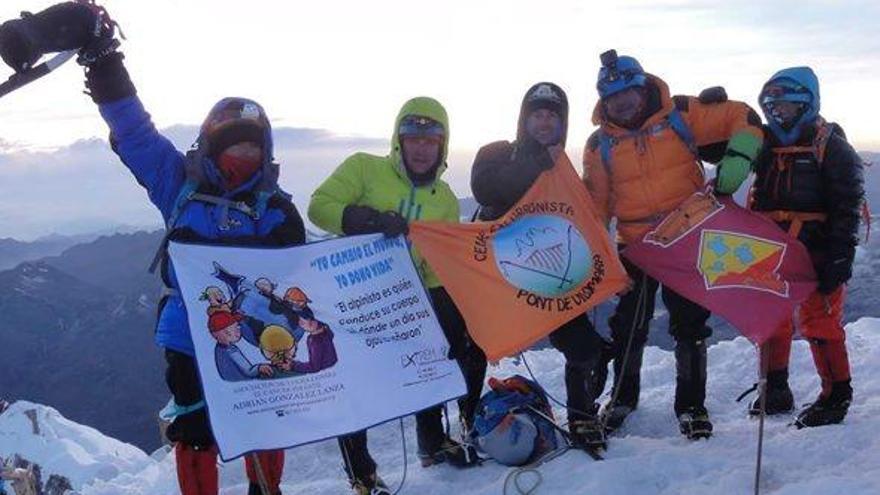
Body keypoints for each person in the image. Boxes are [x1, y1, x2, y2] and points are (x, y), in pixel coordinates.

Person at [0, 3, 304, 493]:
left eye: (252, 148)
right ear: (211, 144)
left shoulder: (275, 210)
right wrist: (104, 64)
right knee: (194, 428)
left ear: (265, 153)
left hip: (253, 328)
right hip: (187, 332)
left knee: (264, 419)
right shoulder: (178, 184)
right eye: (233, 145)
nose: (242, 157)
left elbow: (302, 279)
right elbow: (136, 133)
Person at [309, 96, 486, 494]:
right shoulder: (364, 168)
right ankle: (362, 474)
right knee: (358, 379)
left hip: (412, 295)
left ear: (442, 146)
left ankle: (432, 441)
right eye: (413, 139)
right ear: (399, 141)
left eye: (431, 140)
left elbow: (438, 259)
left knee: (434, 357)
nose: (422, 148)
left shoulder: (443, 198)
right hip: (357, 297)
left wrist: (451, 308)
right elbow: (319, 206)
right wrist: (367, 220)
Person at [582, 50, 763, 439]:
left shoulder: (679, 114)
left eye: (628, 94)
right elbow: (597, 205)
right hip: (636, 244)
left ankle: (692, 406)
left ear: (643, 88)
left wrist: (739, 155)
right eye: (613, 98)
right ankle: (622, 399)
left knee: (690, 325)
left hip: (686, 235)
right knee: (629, 325)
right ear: (603, 100)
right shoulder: (600, 145)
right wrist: (599, 257)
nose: (622, 104)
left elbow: (742, 116)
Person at [470, 82, 609, 450]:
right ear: (524, 118)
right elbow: (487, 190)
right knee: (471, 350)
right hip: (499, 275)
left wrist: (610, 272)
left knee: (583, 347)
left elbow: (580, 220)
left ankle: (582, 419)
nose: (545, 122)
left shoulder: (562, 167)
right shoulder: (496, 152)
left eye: (553, 115)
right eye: (538, 114)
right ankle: (469, 425)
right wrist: (537, 161)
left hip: (547, 275)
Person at [745, 67, 865, 428]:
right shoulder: (763, 144)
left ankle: (835, 396)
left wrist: (840, 255)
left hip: (817, 249)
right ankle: (775, 388)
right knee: (771, 318)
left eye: (784, 106)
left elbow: (847, 206)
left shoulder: (834, 148)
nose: (776, 112)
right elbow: (724, 150)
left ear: (806, 104)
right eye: (771, 106)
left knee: (820, 323)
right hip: (771, 248)